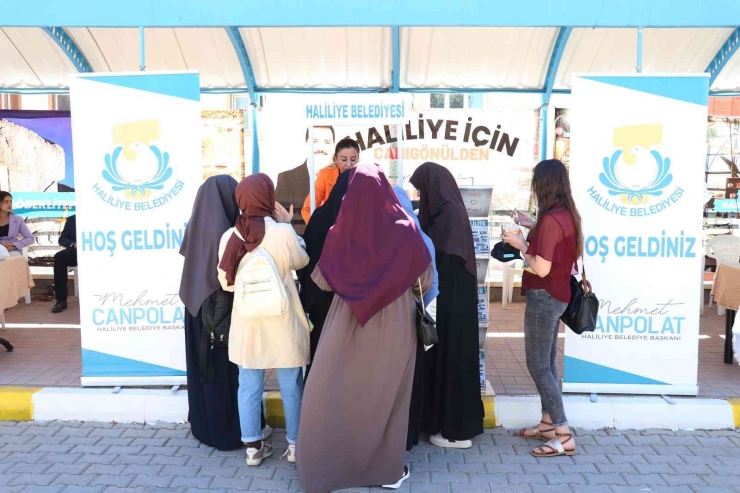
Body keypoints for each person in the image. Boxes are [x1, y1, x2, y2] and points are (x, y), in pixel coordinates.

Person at [297, 163, 434, 492]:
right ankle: (386, 471)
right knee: (389, 397)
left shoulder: (343, 230)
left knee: (339, 391)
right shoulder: (405, 228)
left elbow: (322, 280)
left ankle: (330, 465)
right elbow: (424, 280)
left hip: (347, 322)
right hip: (396, 324)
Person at [218, 174, 309, 466]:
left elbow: (226, 283)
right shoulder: (282, 233)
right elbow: (301, 262)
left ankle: (253, 448)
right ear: (269, 197)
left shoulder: (230, 236)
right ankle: (295, 446)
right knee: (291, 384)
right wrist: (287, 225)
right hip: (283, 318)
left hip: (248, 321)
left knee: (248, 383)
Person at [179, 176, 270, 451]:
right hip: (222, 311)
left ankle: (204, 425)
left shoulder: (195, 225)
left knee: (203, 369)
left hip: (196, 308)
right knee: (225, 371)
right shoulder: (232, 231)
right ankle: (230, 430)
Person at [502, 159, 581, 458]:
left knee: (538, 364)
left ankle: (563, 433)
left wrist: (521, 244)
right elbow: (554, 246)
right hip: (558, 296)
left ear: (542, 184)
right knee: (547, 363)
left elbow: (542, 268)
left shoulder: (551, 220)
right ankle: (548, 424)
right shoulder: (564, 215)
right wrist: (530, 225)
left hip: (545, 296)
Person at [409, 162, 483, 449]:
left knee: (452, 359)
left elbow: (441, 260)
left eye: (422, 190)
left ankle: (456, 431)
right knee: (449, 358)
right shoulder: (447, 212)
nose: (420, 196)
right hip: (454, 303)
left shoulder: (447, 218)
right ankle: (447, 424)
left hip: (452, 305)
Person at [392, 185, 439, 452]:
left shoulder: (388, 235)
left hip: (395, 320)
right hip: (418, 315)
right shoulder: (420, 236)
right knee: (413, 377)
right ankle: (410, 434)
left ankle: (398, 438)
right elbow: (429, 284)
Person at [297, 169, 350, 380]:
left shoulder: (320, 216)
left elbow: (305, 260)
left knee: (320, 358)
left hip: (319, 302)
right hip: (349, 306)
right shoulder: (361, 221)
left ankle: (315, 407)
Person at [275, 126, 336, 234]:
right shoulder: (286, 179)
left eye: (327, 142)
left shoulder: (344, 178)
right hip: (300, 247)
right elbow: (277, 221)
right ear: (306, 143)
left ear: (334, 145)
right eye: (315, 141)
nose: (320, 148)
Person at [300, 138, 360, 224]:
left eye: (353, 159)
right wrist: (318, 231)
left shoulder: (365, 177)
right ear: (335, 159)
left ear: (358, 159)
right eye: (343, 159)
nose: (349, 164)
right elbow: (307, 209)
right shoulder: (325, 175)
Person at [52, 215, 77, 314]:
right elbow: (62, 239)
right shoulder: (72, 219)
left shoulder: (103, 216)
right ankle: (61, 300)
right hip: (77, 252)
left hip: (100, 253)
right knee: (59, 257)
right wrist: (73, 244)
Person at [0, 191, 34, 256]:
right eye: (6, 202)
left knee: (13, 257)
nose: (9, 204)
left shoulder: (18, 219)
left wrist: (14, 245)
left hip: (11, 250)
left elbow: (30, 238)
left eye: (11, 202)